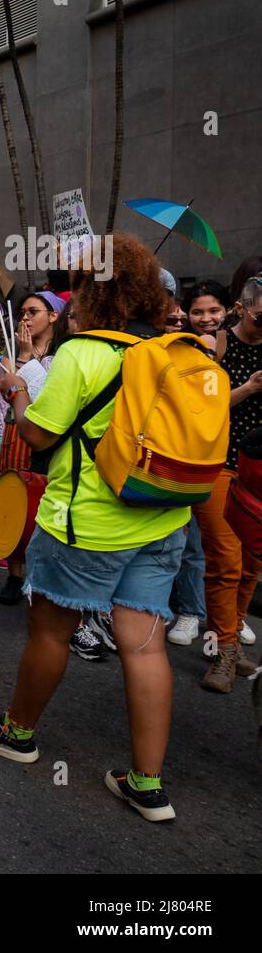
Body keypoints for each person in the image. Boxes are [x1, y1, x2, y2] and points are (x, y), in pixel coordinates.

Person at [0, 234, 201, 824]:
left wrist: (15, 391)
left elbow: (38, 435)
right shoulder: (178, 351)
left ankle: (17, 733)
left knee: (49, 632)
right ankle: (147, 783)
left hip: (87, 521)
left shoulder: (84, 354)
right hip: (164, 518)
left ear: (95, 292)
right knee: (144, 644)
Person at [192, 274, 262, 692]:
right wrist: (249, 388)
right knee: (225, 557)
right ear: (240, 308)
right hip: (219, 461)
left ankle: (231, 632)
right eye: (259, 316)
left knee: (252, 561)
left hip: (260, 465)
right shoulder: (217, 343)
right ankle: (225, 649)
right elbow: (203, 404)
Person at [0, 291, 65, 610]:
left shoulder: (65, 354)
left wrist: (28, 359)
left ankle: (40, 574)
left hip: (45, 436)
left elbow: (45, 397)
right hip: (14, 432)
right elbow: (6, 392)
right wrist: (22, 356)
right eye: (21, 312)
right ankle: (14, 571)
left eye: (32, 311)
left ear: (53, 316)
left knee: (42, 505)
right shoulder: (10, 351)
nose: (24, 318)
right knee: (15, 502)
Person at [182, 280, 229, 348]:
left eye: (213, 311)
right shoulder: (176, 344)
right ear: (188, 314)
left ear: (227, 310)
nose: (205, 319)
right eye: (197, 313)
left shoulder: (240, 341)